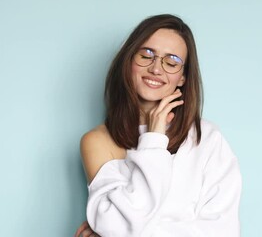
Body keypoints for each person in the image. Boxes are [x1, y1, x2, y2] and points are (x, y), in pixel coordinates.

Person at [74, 14, 242, 237]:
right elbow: (115, 225)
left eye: (171, 62)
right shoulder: (97, 141)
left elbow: (223, 231)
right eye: (146, 55)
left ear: (182, 77)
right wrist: (153, 139)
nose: (156, 69)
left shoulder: (207, 138)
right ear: (129, 61)